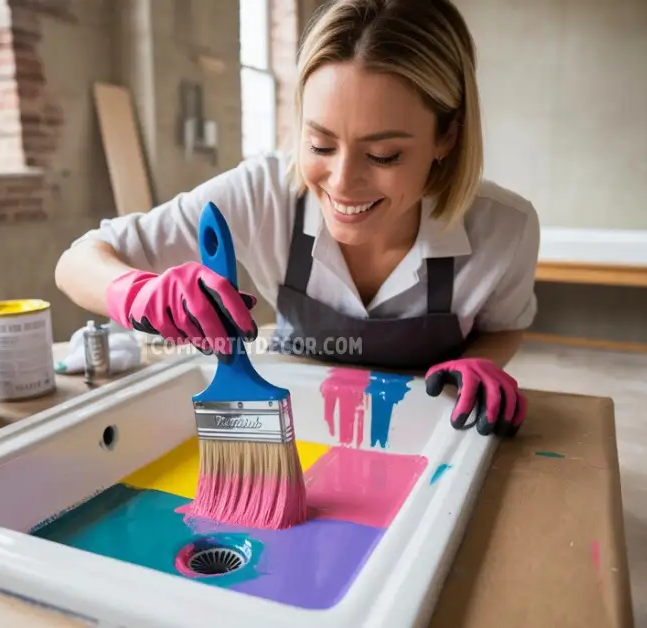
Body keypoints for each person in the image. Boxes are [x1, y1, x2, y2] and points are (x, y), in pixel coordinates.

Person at [54, 0, 538, 438]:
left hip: (426, 434)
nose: (343, 182)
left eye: (384, 155)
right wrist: (137, 292)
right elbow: (78, 263)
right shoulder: (263, 194)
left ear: (447, 137)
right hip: (296, 425)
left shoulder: (504, 230)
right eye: (320, 144)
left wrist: (478, 363)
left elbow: (502, 326)